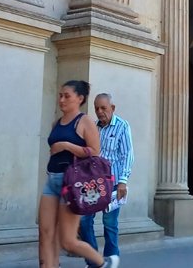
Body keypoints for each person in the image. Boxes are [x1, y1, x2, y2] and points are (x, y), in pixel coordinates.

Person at [38, 80, 119, 268]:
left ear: (79, 98)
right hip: (52, 180)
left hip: (73, 185)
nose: (62, 100)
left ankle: (103, 263)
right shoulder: (56, 123)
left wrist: (66, 146)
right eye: (60, 95)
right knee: (45, 234)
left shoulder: (85, 121)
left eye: (67, 96)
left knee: (68, 241)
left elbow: (95, 152)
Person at [79, 94, 134, 265]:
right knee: (84, 220)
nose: (100, 112)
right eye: (96, 108)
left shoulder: (122, 126)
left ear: (113, 108)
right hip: (94, 184)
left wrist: (123, 181)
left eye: (103, 108)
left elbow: (127, 155)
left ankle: (111, 260)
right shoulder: (94, 128)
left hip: (114, 182)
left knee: (109, 223)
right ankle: (94, 260)